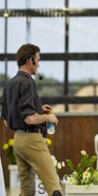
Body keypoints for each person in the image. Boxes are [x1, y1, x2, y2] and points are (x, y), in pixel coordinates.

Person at [1, 44, 63, 196]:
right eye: (38, 60)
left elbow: (7, 121)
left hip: (18, 140)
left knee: (27, 190)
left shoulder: (9, 84)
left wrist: (39, 110)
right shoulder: (28, 82)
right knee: (53, 185)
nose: (39, 64)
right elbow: (29, 119)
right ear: (30, 61)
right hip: (32, 140)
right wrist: (49, 117)